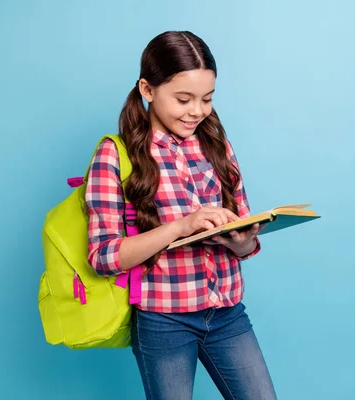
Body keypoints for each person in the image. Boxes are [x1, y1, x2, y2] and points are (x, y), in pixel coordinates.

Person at [84, 31, 277, 400]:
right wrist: (182, 226)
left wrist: (243, 239)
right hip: (164, 319)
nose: (197, 111)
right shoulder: (116, 154)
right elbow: (103, 257)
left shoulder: (217, 146)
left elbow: (246, 241)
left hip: (227, 312)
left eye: (206, 99)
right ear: (148, 89)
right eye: (183, 99)